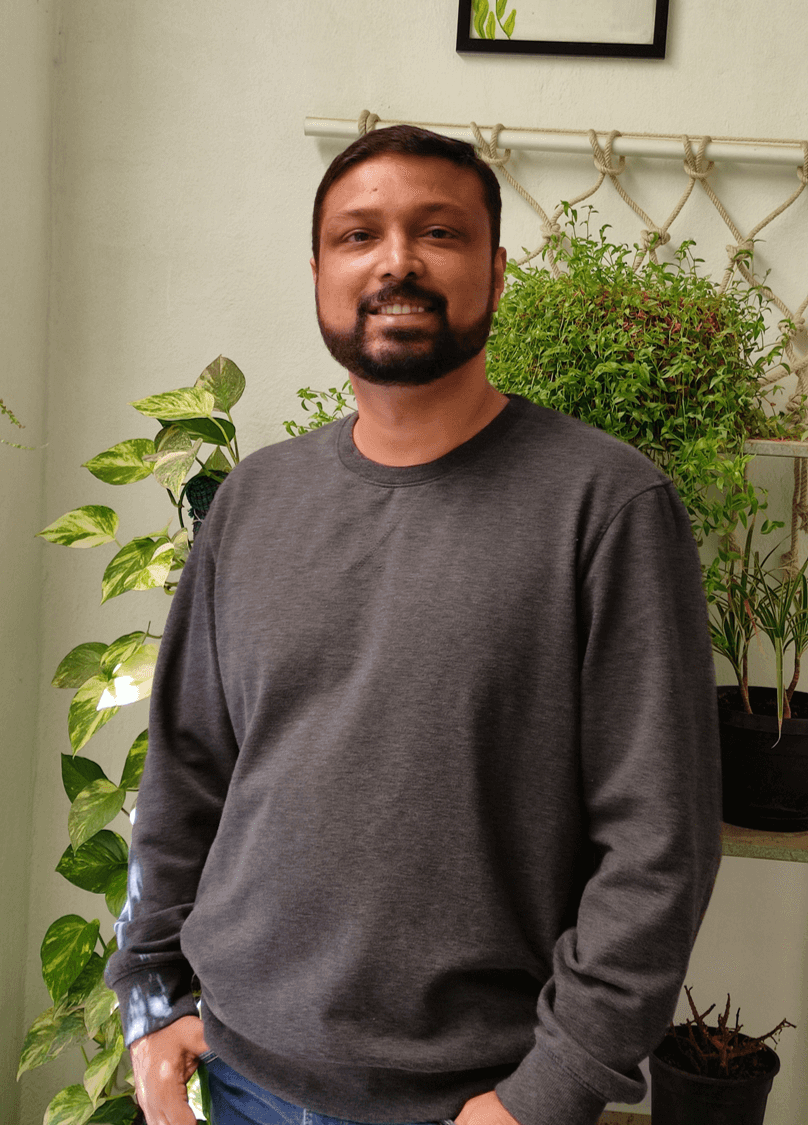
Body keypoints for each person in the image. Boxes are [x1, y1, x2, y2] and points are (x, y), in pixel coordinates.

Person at [105, 124, 722, 1125]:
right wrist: (148, 993)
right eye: (358, 236)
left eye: (438, 232)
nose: (396, 261)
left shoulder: (604, 507)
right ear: (318, 274)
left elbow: (658, 844)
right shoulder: (254, 502)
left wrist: (550, 1090)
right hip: (240, 1071)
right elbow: (184, 776)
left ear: (496, 271)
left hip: (475, 1097)